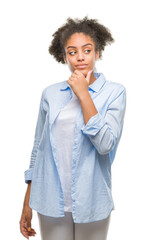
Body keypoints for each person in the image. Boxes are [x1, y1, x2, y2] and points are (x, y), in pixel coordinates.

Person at [19, 16, 126, 240]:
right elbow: (38, 149)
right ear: (64, 56)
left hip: (92, 200)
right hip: (49, 201)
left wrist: (84, 93)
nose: (80, 57)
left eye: (87, 51)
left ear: (97, 53)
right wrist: (28, 201)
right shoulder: (50, 94)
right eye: (72, 51)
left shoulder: (114, 93)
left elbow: (105, 145)